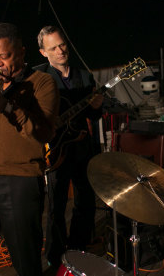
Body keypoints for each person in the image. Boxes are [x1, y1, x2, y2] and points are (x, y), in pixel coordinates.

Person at [0, 23, 59, 276]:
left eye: (3, 56)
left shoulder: (43, 83)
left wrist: (5, 105)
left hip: (20, 180)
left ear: (22, 52)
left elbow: (43, 133)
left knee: (25, 260)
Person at [33, 25, 103, 269]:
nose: (61, 51)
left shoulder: (85, 76)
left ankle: (77, 250)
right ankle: (54, 257)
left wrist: (97, 105)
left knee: (85, 202)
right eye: (53, 48)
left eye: (62, 44)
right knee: (56, 205)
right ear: (43, 52)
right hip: (54, 150)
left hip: (81, 147)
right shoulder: (38, 78)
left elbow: (95, 117)